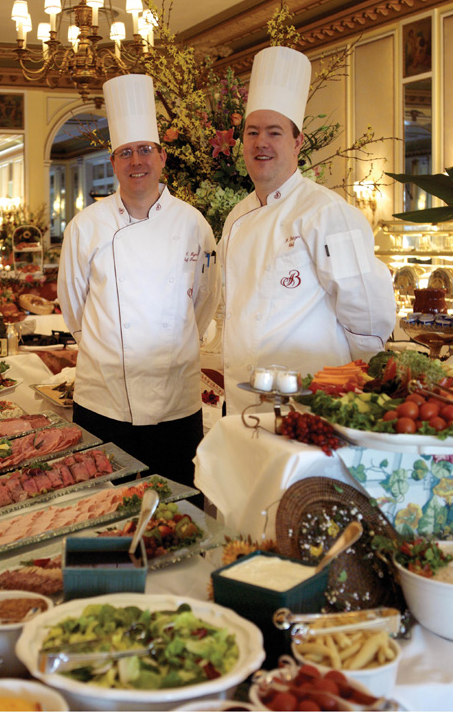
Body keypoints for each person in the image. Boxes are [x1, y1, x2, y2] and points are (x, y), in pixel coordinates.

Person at [58, 74, 220, 489]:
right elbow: (74, 309)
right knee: (104, 519)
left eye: (145, 150)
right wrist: (107, 351)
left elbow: (204, 302)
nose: (136, 161)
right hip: (104, 399)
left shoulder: (193, 224)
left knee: (180, 516)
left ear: (162, 158)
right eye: (125, 152)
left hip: (176, 400)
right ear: (113, 163)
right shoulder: (86, 227)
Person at [220, 46, 395, 413]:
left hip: (310, 403)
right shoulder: (238, 215)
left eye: (274, 132)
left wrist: (365, 386)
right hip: (241, 400)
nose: (261, 143)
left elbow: (366, 310)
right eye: (252, 132)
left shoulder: (327, 212)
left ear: (298, 142)